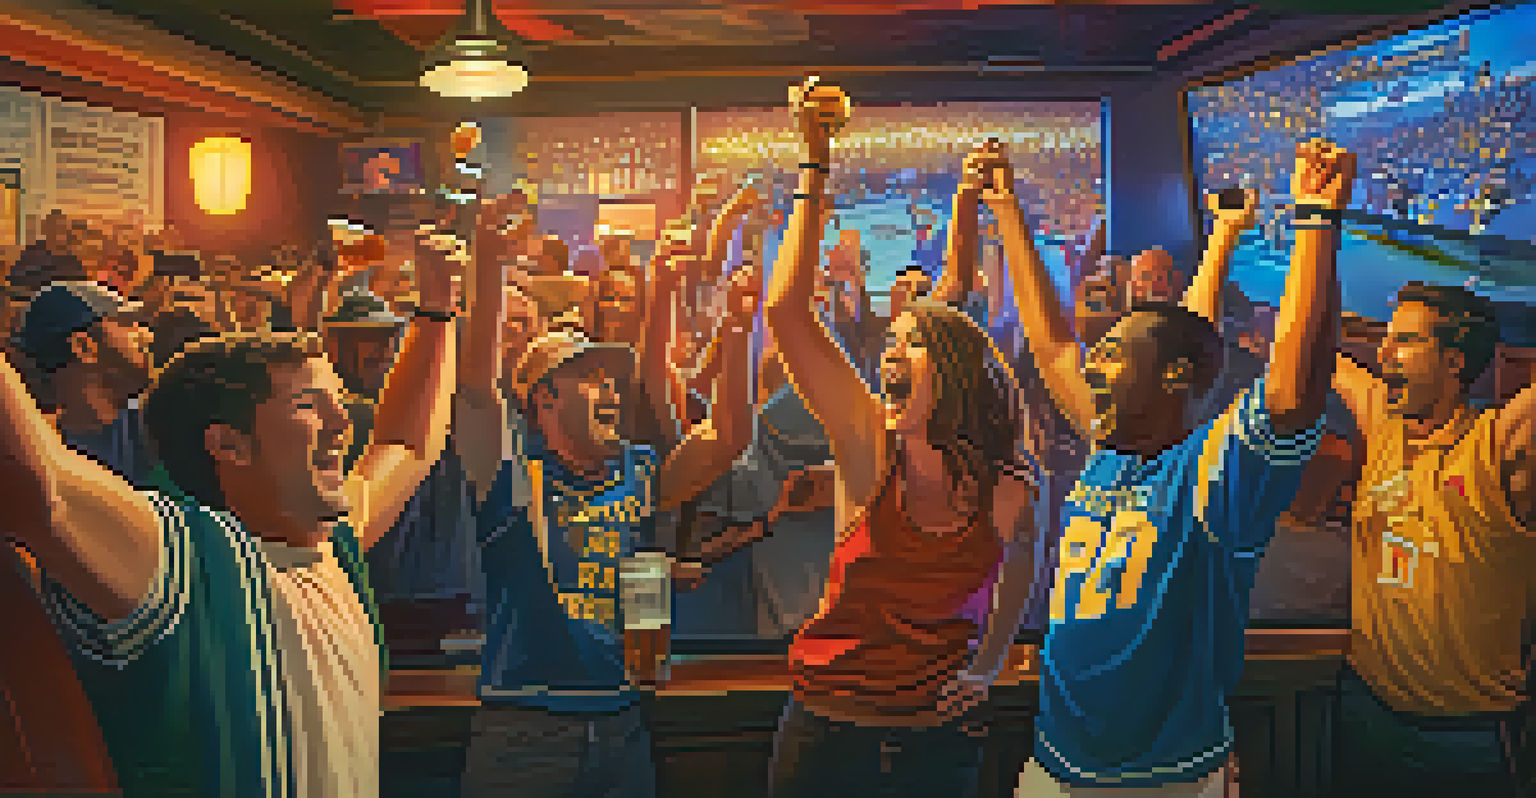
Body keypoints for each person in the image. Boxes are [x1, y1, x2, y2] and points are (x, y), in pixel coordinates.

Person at [0, 228, 462, 798]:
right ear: (229, 445)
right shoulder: (176, 556)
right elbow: (39, 487)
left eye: (338, 405)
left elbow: (409, 444)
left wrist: (438, 309)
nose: (344, 426)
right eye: (308, 406)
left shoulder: (331, 543)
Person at [996, 139, 1345, 794]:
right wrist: (1005, 207)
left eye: (1111, 355)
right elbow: (1050, 344)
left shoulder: (1211, 476)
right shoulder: (1107, 449)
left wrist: (1315, 221)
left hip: (1164, 780)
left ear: (1175, 378)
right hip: (1054, 762)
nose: (1090, 364)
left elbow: (1294, 391)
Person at [763, 81, 1038, 798]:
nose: (889, 351)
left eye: (911, 342)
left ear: (949, 374)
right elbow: (786, 311)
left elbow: (1022, 561)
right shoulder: (867, 445)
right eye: (892, 337)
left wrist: (989, 662)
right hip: (825, 732)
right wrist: (814, 163)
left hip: (939, 741)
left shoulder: (1007, 484)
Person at [457, 248, 760, 798]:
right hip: (526, 726)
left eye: (614, 381)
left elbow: (728, 438)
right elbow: (476, 393)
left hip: (623, 721)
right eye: (592, 379)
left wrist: (738, 328)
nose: (613, 393)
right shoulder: (514, 477)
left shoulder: (637, 470)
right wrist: (489, 260)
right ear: (542, 398)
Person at [1331, 281, 1535, 796]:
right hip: (1364, 711)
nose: (1383, 354)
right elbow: (1314, 353)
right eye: (1386, 339)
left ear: (1454, 361)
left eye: (1404, 341)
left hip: (1464, 739)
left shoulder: (1493, 446)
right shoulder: (1384, 423)